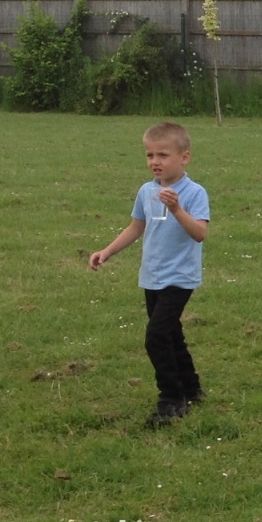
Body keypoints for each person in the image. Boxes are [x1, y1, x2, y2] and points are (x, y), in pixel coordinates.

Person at [89, 121, 211, 427]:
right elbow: (136, 227)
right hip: (152, 276)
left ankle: (171, 399)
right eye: (149, 155)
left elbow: (199, 233)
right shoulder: (147, 191)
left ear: (184, 157)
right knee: (170, 333)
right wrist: (107, 251)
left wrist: (178, 209)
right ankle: (191, 388)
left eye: (163, 155)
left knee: (156, 336)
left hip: (179, 278)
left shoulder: (194, 192)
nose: (155, 161)